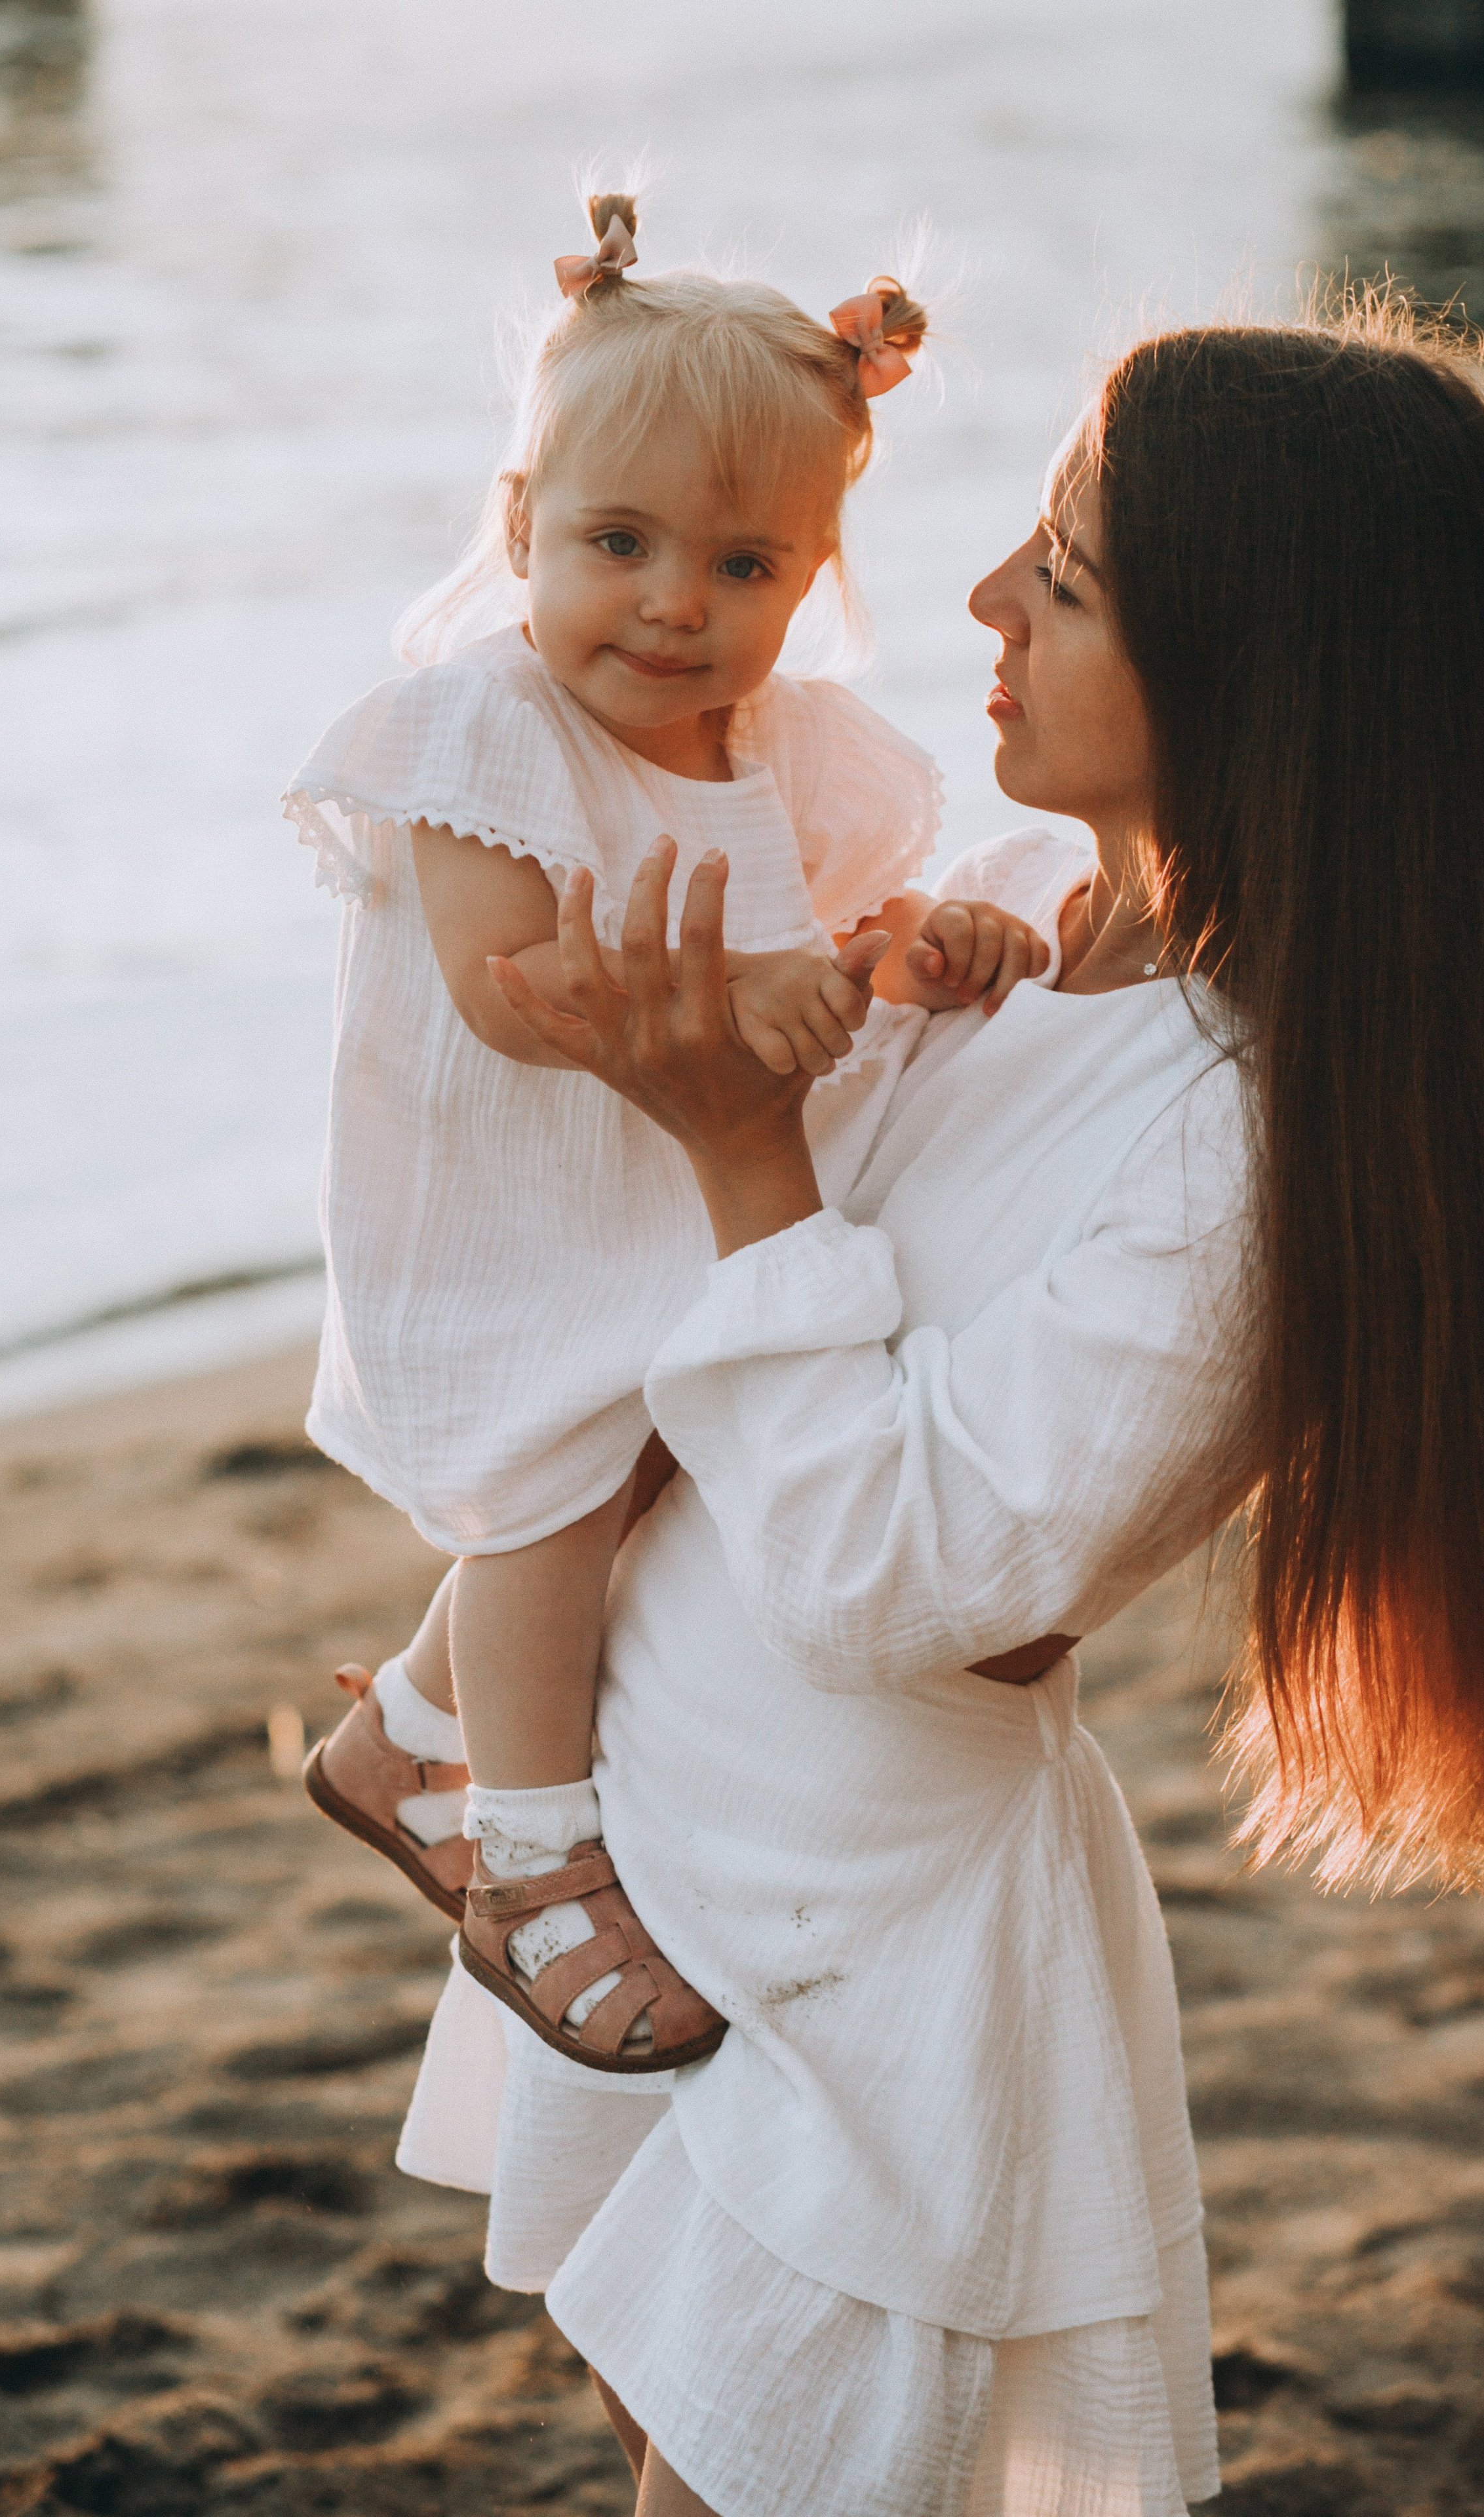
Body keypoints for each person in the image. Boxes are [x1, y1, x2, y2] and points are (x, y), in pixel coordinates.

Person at [392, 298, 1484, 2514]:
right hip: (659, 1833)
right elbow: (675, 1331)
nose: (985, 598)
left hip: (869, 1934)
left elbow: (890, 1580)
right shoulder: (1001, 916)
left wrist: (741, 1142)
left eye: (1065, 579)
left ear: (1251, 674)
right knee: (654, 2421)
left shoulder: (1248, 1148)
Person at [283, 192, 1046, 2071]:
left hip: (673, 1185)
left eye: (742, 563)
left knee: (649, 1454)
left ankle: (401, 1732)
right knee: (558, 1500)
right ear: (523, 526)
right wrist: (753, 996)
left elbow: (823, 948)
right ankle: (528, 1856)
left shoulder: (785, 747)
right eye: (617, 543)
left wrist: (908, 950)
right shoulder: (485, 730)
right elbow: (510, 988)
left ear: (814, 574)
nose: (674, 604)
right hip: (514, 1200)